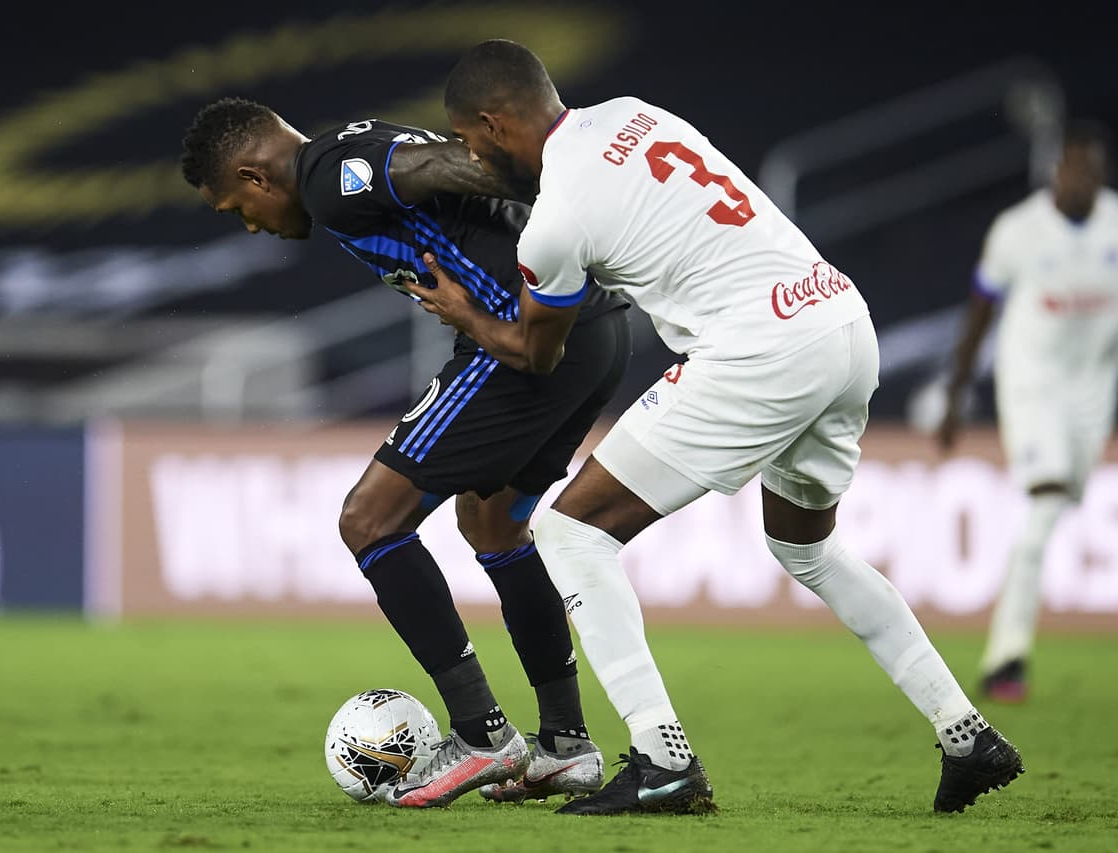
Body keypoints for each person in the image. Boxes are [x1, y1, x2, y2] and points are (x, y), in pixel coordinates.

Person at [406, 38, 1024, 816]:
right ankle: (964, 731)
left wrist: (462, 311)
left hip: (759, 350)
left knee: (571, 533)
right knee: (809, 547)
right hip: (837, 316)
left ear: (494, 124)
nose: (469, 156)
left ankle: (663, 760)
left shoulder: (555, 219)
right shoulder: (635, 115)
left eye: (467, 141)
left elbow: (536, 350)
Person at [180, 97, 633, 807]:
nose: (250, 224)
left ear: (255, 175)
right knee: (493, 525)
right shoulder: (353, 144)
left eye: (238, 206)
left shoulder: (329, 172)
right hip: (589, 331)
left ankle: (484, 735)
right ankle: (566, 746)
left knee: (369, 520)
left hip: (517, 339)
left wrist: (550, 180)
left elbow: (442, 165)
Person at [938, 120, 1118, 702]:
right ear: (1056, 170)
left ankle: (1008, 651)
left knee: (1059, 504)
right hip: (1031, 384)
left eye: (1091, 169)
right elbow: (979, 313)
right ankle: (1007, 658)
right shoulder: (1018, 231)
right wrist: (956, 393)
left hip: (1094, 391)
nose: (1080, 179)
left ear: (1104, 174)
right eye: (1072, 167)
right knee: (1046, 503)